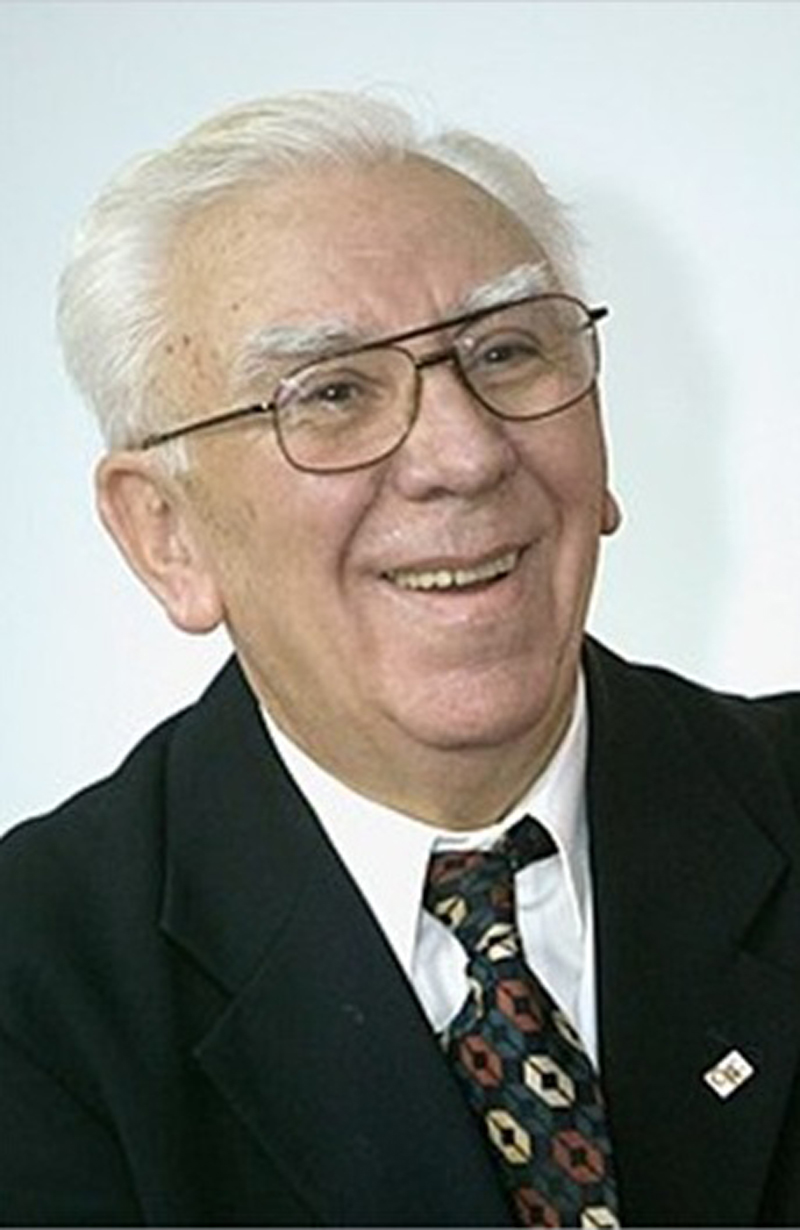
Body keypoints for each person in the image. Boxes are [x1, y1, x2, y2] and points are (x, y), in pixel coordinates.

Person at [1, 90, 798, 1229]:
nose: (463, 454)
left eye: (505, 352)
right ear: (165, 534)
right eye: (330, 392)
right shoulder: (37, 987)